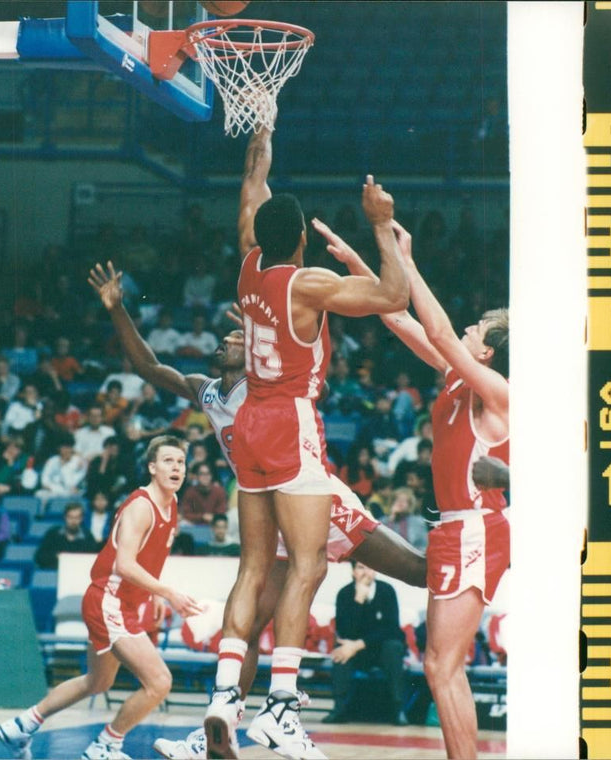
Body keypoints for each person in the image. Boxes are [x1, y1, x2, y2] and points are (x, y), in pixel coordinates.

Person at [87, 254, 423, 760]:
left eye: (236, 339)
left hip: (317, 500)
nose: (224, 341)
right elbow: (150, 367)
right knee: (241, 631)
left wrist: (263, 331)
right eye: (228, 338)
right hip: (275, 510)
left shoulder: (267, 386)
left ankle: (483, 539)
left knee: (419, 571)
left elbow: (319, 385)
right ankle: (216, 728)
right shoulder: (209, 392)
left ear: (254, 353)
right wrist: (117, 310)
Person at [205, 126, 409, 759]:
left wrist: (260, 132)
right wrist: (381, 226)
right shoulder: (306, 284)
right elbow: (393, 295)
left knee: (254, 568)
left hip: (250, 426)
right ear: (296, 239)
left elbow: (250, 188)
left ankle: (221, 699)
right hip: (291, 419)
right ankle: (282, 707)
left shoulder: (246, 261)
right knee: (312, 563)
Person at [361, 220, 508, 760]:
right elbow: (396, 314)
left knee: (443, 666)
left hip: (475, 528)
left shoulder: (497, 392)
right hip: (458, 529)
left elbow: (443, 333)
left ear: (488, 353)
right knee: (443, 666)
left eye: (476, 331)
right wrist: (371, 260)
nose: (466, 330)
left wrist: (409, 258)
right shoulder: (458, 376)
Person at [0, 436, 203, 760]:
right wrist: (168, 592)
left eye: (181, 462)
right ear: (152, 467)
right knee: (160, 682)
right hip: (110, 601)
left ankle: (23, 723)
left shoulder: (172, 503)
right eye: (168, 460)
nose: (176, 467)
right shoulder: (141, 506)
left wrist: (154, 593)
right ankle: (107, 744)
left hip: (121, 603)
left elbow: (146, 559)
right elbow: (125, 564)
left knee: (98, 682)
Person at [321, 560, 408, 726]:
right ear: (353, 571)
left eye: (370, 567)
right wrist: (358, 601)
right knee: (341, 650)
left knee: (394, 647)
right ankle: (338, 709)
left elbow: (392, 629)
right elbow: (345, 631)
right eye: (361, 567)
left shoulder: (386, 591)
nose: (366, 572)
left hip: (380, 650)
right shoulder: (344, 594)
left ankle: (398, 710)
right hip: (355, 652)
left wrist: (359, 644)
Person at [33, 501, 99, 570]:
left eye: (77, 517)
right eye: (70, 517)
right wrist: (57, 558)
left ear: (81, 519)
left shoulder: (88, 537)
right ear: (65, 517)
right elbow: (39, 556)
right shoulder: (53, 534)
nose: (73, 521)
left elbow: (92, 561)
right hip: (55, 572)